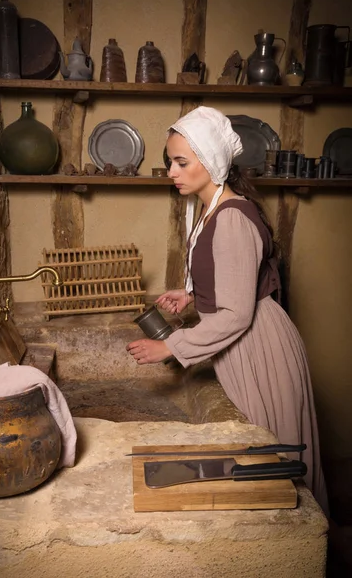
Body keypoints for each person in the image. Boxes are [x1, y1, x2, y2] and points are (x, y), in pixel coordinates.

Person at [126, 106, 329, 515]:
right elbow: (231, 277)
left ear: (212, 162)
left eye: (182, 162)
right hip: (246, 338)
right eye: (170, 162)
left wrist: (171, 347)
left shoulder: (231, 216)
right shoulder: (213, 208)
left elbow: (237, 314)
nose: (171, 171)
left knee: (281, 464)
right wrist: (191, 294)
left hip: (259, 343)